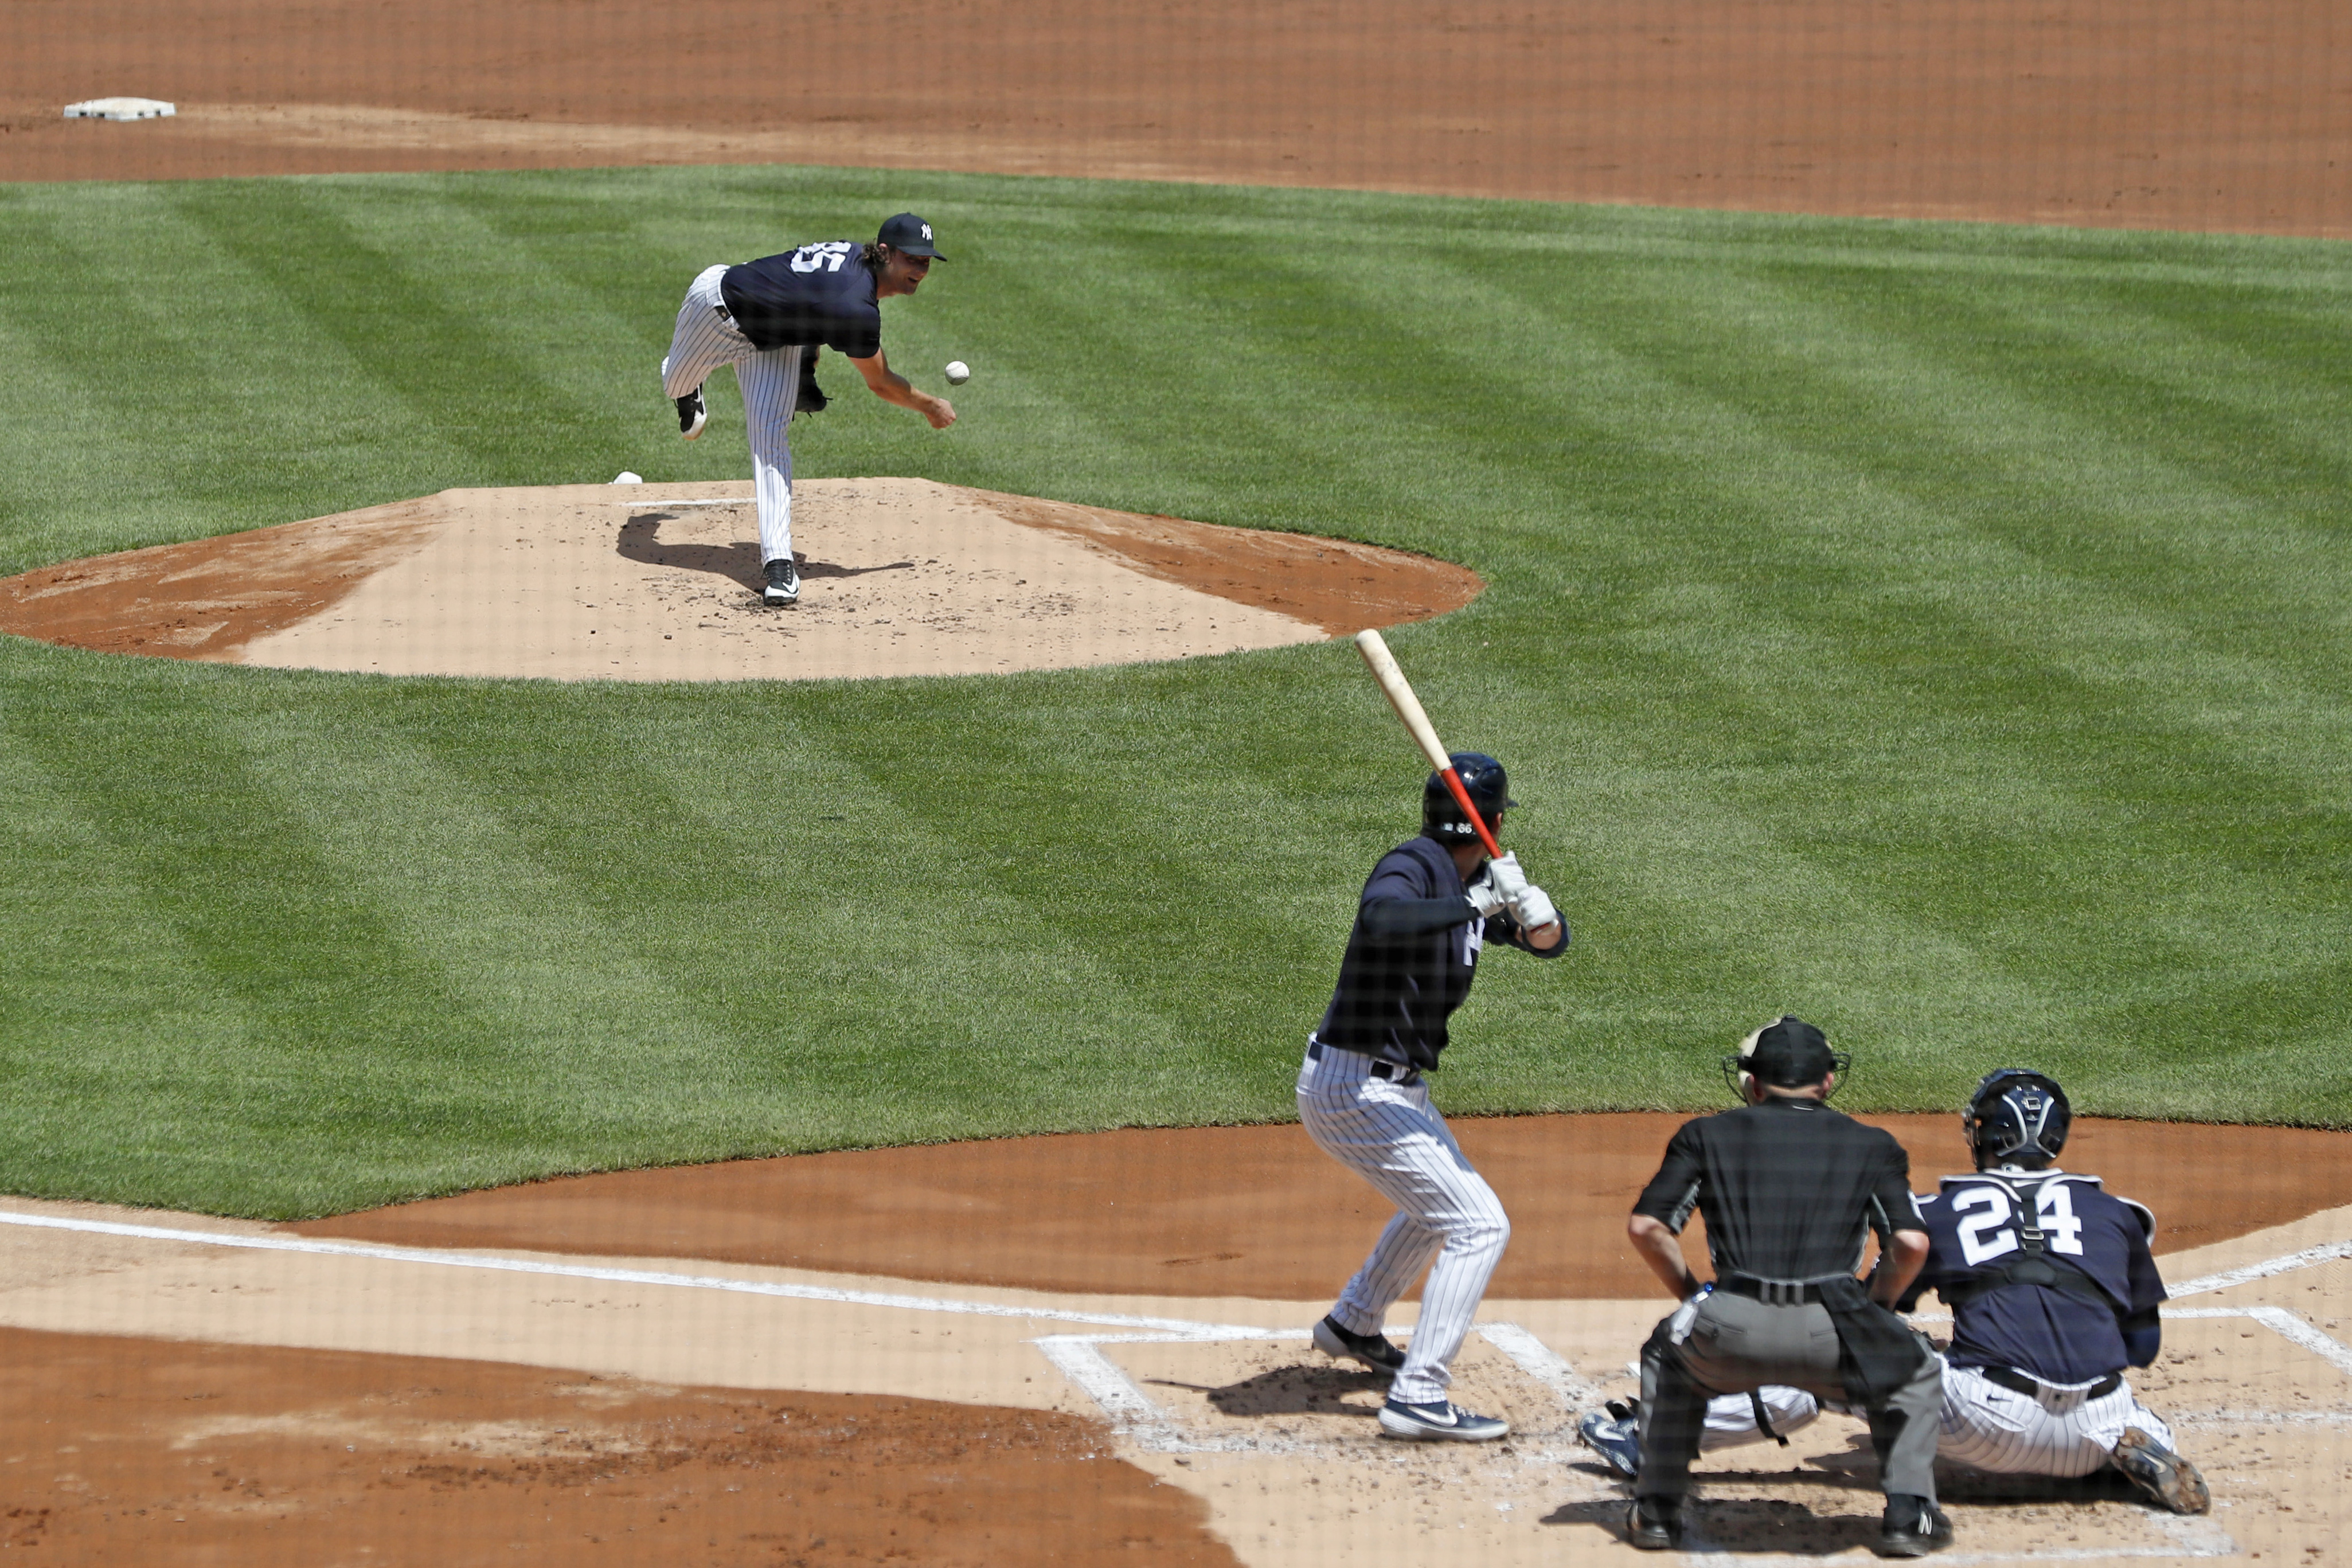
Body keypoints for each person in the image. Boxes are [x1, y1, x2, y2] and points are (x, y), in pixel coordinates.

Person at [1586, 1068, 2209, 1516]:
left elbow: (1878, 1307)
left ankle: (1648, 1439)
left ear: (1980, 1134)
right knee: (2119, 1401)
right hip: (2102, 1421)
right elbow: (2143, 1344)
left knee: (1830, 1350)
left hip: (1988, 1426)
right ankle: (2122, 1458)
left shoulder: (1940, 1211)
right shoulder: (2118, 1213)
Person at [1299, 752, 1565, 1442]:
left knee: (1440, 1202)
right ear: (1496, 820)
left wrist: (1540, 919)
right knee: (1480, 1224)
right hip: (1357, 1087)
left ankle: (1354, 1322)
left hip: (1386, 1087)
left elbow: (1544, 944)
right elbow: (1383, 921)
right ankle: (1418, 1395)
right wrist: (1477, 900)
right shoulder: (1414, 864)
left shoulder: (1469, 876)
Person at [1619, 1017, 1950, 1557]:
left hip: (1729, 1329)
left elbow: (1646, 1227)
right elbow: (1911, 1243)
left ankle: (1656, 1511)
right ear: (1826, 1082)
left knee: (1667, 1355)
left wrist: (1694, 1296)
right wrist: (1877, 1310)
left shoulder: (1704, 1134)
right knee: (1917, 1368)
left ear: (1753, 1083)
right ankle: (1909, 1516)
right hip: (1837, 1335)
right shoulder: (1873, 1144)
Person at [658, 212, 957, 607]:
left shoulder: (855, 263)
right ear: (884, 253)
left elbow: (809, 301)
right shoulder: (857, 308)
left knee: (770, 438)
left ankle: (779, 563)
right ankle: (687, 388)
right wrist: (932, 407)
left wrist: (806, 365)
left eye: (926, 260)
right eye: (912, 258)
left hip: (773, 342)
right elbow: (881, 382)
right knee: (674, 382)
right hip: (716, 309)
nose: (921, 267)